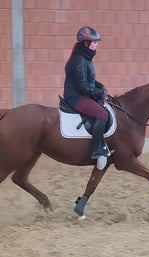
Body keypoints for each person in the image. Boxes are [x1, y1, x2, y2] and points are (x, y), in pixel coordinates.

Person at [63, 26, 109, 159]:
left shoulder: (85, 59)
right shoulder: (79, 61)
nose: (96, 45)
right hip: (75, 97)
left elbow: (89, 81)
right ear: (86, 43)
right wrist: (100, 93)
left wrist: (101, 87)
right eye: (95, 42)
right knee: (102, 114)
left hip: (81, 94)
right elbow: (83, 87)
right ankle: (96, 149)